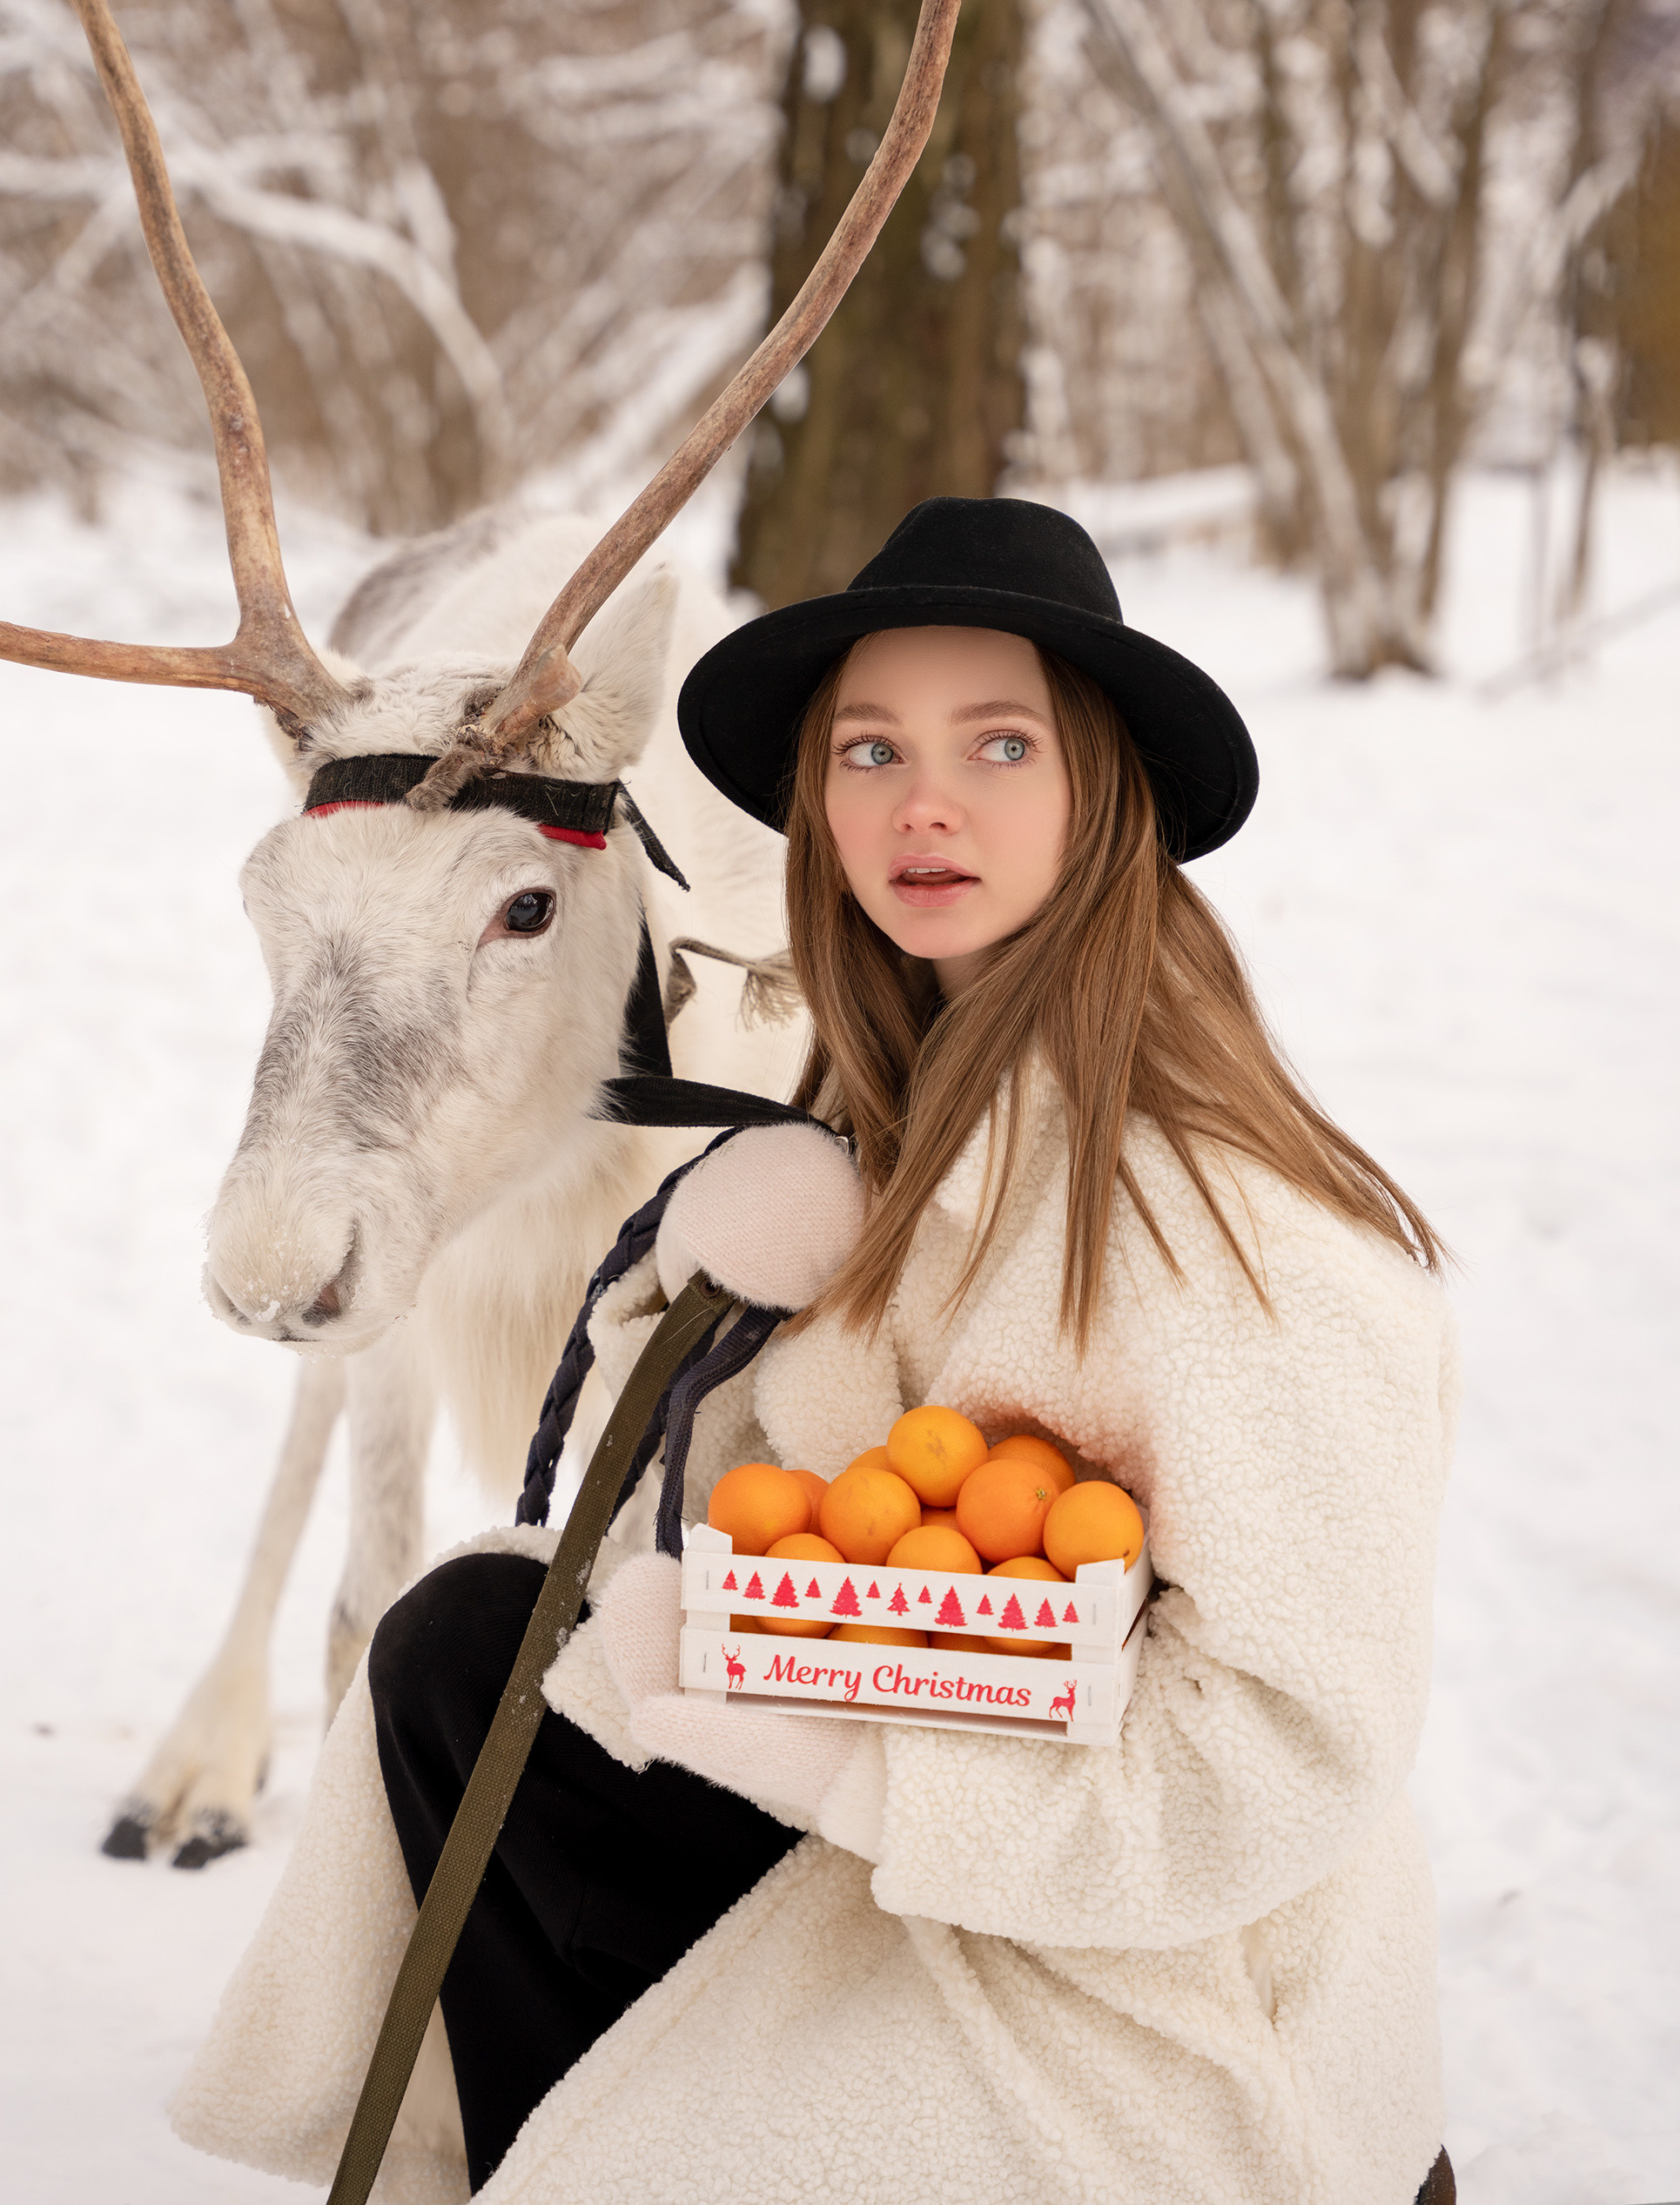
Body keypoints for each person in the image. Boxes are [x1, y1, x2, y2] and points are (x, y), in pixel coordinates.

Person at [175, 499, 1459, 2205]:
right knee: (465, 1654)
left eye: (996, 743)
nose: (923, 800)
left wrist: (875, 1772)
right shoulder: (905, 1103)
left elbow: (1287, 1752)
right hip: (898, 1832)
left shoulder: (1236, 1227)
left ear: (1102, 796)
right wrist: (694, 1280)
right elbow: (791, 1512)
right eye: (871, 747)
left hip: (1122, 1982)